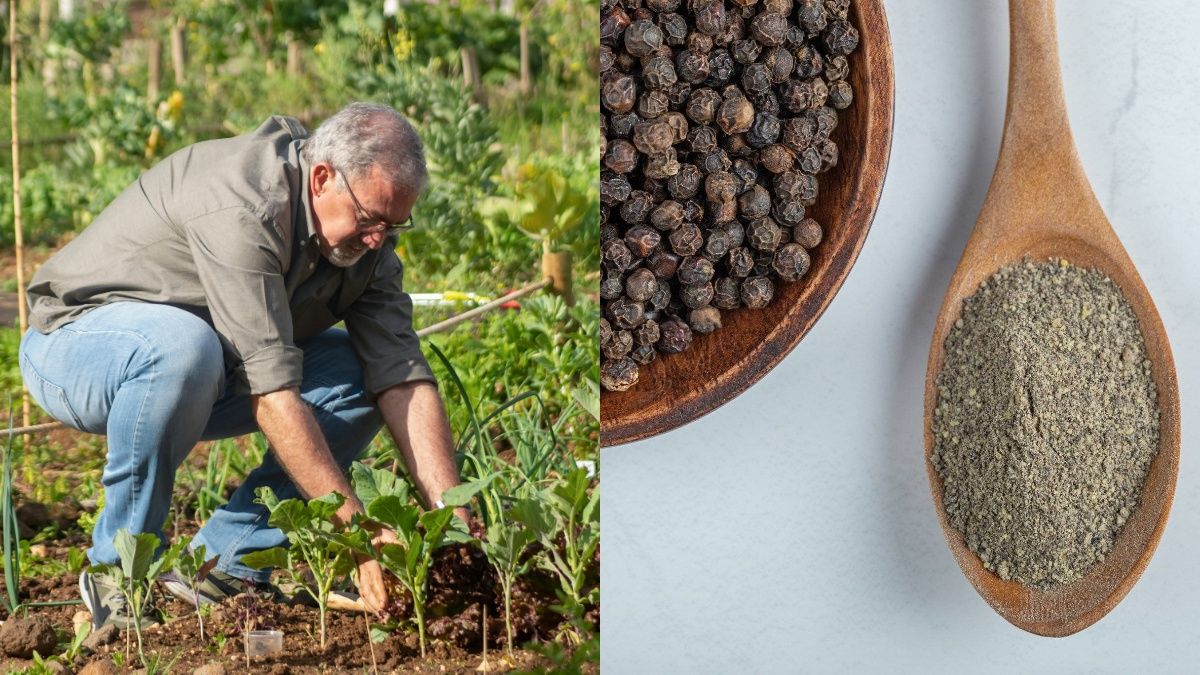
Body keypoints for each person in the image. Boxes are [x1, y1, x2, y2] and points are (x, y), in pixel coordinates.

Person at [18, 101, 467, 629]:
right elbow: (273, 397)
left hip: (201, 369)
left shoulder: (368, 250)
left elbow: (403, 378)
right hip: (78, 346)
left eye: (393, 226)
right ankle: (119, 570)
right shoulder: (245, 205)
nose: (377, 239)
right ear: (322, 178)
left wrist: (453, 523)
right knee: (184, 347)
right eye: (369, 219)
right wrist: (357, 534)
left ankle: (225, 566)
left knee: (356, 374)